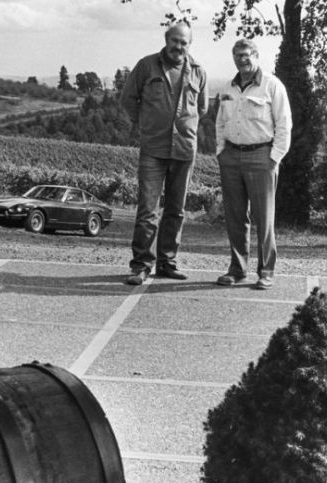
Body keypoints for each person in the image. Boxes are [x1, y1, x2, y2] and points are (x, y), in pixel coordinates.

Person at [120, 22, 208, 285]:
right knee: (148, 210)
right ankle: (141, 265)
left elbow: (201, 109)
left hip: (183, 150)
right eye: (175, 41)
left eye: (184, 42)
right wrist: (146, 124)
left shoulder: (199, 72)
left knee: (176, 210)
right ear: (166, 40)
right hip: (153, 149)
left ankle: (167, 263)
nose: (179, 46)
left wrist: (184, 129)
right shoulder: (146, 66)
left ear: (189, 45)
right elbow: (128, 100)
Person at [215, 38, 292, 290]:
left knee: (263, 217)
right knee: (235, 216)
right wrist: (220, 151)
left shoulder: (272, 85)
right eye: (237, 55)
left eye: (246, 55)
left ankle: (266, 271)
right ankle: (237, 270)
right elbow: (219, 122)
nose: (242, 59)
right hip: (231, 158)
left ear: (257, 56)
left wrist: (274, 158)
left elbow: (284, 124)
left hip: (261, 157)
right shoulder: (228, 87)